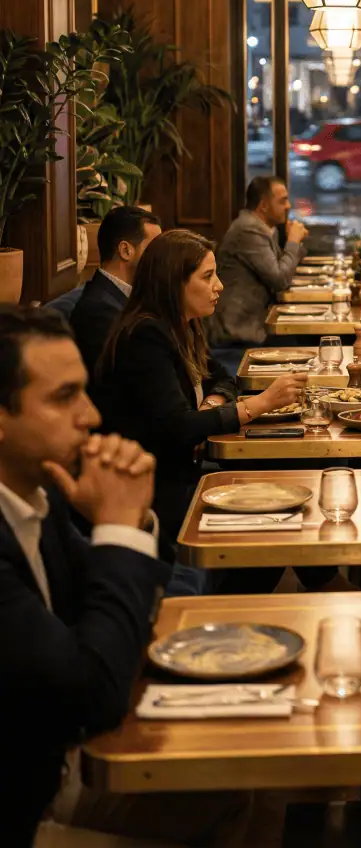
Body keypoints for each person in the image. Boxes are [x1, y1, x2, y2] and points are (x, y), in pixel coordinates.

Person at [0, 305, 165, 845]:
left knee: (236, 781)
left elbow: (111, 612)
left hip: (56, 768)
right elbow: (93, 696)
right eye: (63, 397)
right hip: (25, 811)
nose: (92, 416)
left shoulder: (34, 492)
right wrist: (118, 527)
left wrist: (128, 523)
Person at [94, 230, 304, 541]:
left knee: (288, 472)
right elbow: (178, 426)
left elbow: (223, 378)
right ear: (173, 282)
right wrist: (261, 403)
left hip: (187, 469)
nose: (219, 285)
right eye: (208, 277)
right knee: (281, 495)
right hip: (158, 488)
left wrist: (211, 405)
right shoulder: (145, 337)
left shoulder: (183, 324)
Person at [208, 176, 308, 377]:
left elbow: (284, 269)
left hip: (252, 327)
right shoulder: (249, 229)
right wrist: (293, 241)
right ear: (263, 205)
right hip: (237, 334)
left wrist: (294, 243)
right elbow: (280, 279)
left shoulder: (261, 228)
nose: (288, 206)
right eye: (282, 200)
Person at [70, 205, 162, 375]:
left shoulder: (136, 295)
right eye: (154, 249)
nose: (160, 258)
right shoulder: (98, 312)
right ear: (126, 250)